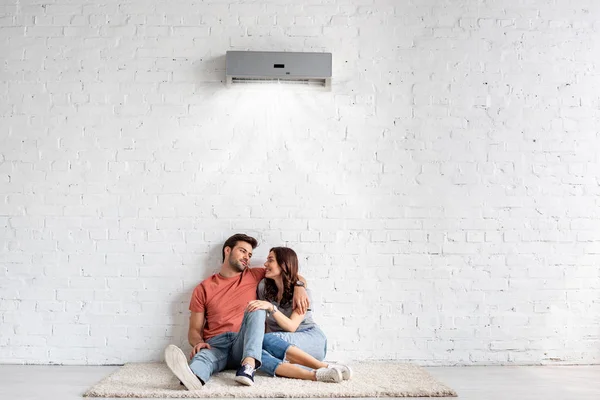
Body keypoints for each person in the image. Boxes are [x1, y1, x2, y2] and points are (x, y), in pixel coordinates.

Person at [164, 234, 339, 390]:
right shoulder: (203, 288)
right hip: (216, 343)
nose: (247, 257)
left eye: (249, 255)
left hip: (245, 341)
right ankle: (192, 377)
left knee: (257, 307)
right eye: (242, 251)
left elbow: (287, 273)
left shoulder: (254, 275)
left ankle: (248, 365)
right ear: (227, 250)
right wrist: (198, 342)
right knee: (203, 358)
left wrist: (300, 286)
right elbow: (194, 329)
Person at [246, 247, 352, 380]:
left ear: (284, 264)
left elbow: (291, 327)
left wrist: (271, 308)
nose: (265, 264)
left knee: (261, 341)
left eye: (270, 260)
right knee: (254, 351)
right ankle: (315, 375)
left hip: (309, 339)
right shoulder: (264, 287)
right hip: (279, 343)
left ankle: (322, 366)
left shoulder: (302, 294)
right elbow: (265, 323)